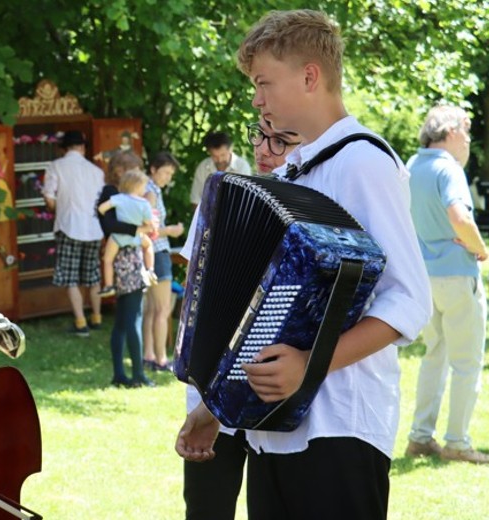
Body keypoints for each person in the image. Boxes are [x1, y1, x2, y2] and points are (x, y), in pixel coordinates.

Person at [175, 10, 432, 520]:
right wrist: (215, 410)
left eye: (264, 82)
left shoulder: (363, 163)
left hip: (339, 430)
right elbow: (260, 315)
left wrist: (309, 367)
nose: (256, 98)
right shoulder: (295, 168)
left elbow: (409, 300)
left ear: (310, 76)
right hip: (274, 432)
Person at [182, 118, 301, 520]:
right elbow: (193, 295)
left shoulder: (313, 206)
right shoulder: (217, 201)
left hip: (277, 391)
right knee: (207, 506)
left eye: (282, 140)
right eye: (261, 137)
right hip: (210, 384)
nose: (265, 150)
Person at [404, 105, 489, 464]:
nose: (468, 141)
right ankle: (457, 442)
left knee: (434, 356)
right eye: (466, 133)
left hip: (423, 276)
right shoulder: (447, 168)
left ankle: (420, 437)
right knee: (467, 362)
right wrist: (481, 249)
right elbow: (460, 216)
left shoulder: (411, 166)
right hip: (456, 274)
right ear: (451, 132)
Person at [96, 151, 155, 388]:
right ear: (121, 170)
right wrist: (139, 230)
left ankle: (119, 374)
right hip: (128, 257)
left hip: (122, 253)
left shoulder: (119, 197)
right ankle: (138, 374)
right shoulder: (115, 194)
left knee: (123, 320)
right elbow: (109, 224)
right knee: (133, 319)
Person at [43, 130, 106, 337]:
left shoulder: (56, 167)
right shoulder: (96, 171)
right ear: (83, 147)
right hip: (94, 228)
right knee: (93, 276)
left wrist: (56, 208)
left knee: (70, 278)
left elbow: (49, 199)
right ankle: (97, 317)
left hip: (68, 226)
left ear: (64, 148)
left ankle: (80, 322)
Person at [142, 152, 184, 371]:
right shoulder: (151, 192)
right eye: (166, 172)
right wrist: (173, 230)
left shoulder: (148, 188)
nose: (168, 177)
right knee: (163, 308)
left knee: (150, 309)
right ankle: (161, 359)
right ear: (153, 169)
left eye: (170, 174)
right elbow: (150, 228)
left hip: (150, 253)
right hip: (157, 253)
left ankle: (148, 355)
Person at [96, 168, 156, 298]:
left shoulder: (119, 198)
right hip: (136, 237)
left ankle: (108, 286)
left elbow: (101, 208)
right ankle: (150, 270)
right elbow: (148, 223)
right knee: (149, 245)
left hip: (118, 237)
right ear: (138, 186)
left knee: (107, 260)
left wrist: (105, 214)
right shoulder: (144, 203)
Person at [189, 131, 252, 207]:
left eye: (223, 155)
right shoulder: (203, 167)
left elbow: (244, 200)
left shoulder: (242, 167)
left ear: (230, 149)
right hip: (206, 216)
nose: (219, 160)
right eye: (215, 156)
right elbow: (195, 200)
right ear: (209, 152)